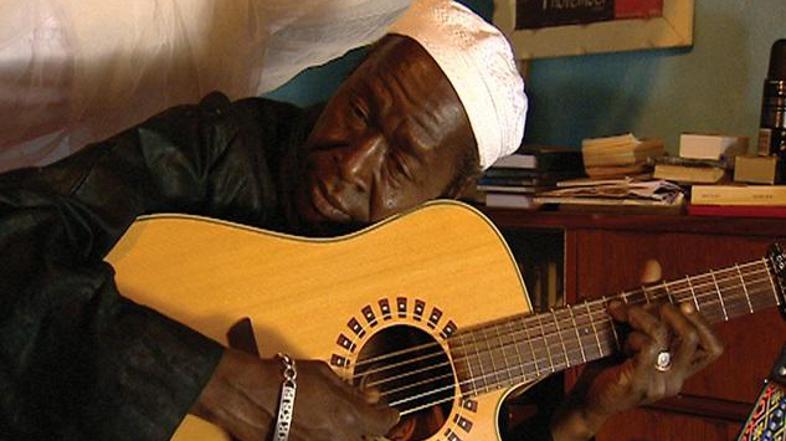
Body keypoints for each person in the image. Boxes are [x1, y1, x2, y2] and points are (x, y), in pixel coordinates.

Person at [0, 0, 723, 440]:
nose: (348, 164)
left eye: (401, 161)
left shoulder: (456, 270)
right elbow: (12, 234)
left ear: (456, 193)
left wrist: (584, 415)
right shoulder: (223, 149)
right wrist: (235, 386)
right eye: (357, 111)